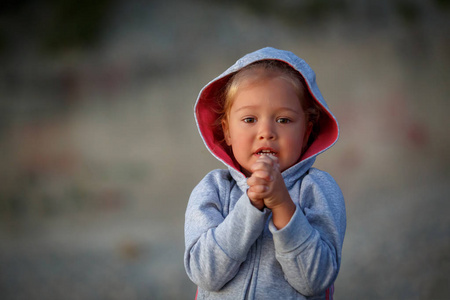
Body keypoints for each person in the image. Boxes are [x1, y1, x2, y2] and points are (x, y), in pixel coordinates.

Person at [184, 47, 346, 300]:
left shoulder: (317, 188)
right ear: (226, 130)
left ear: (306, 132)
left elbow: (315, 281)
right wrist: (250, 206)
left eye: (283, 120)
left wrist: (282, 204)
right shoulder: (213, 189)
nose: (266, 132)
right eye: (249, 119)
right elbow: (205, 274)